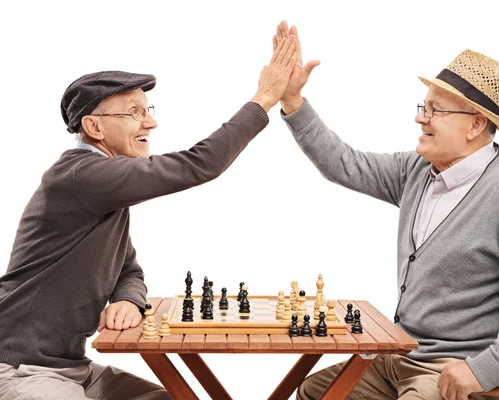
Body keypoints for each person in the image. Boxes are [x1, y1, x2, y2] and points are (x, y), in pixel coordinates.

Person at [272, 21, 499, 400]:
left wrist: (483, 369)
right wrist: (292, 102)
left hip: (452, 368)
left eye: (435, 110)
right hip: (401, 353)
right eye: (424, 106)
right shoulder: (418, 171)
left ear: (476, 125)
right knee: (316, 392)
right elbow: (344, 163)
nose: (420, 118)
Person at [0, 36, 297, 399]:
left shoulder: (104, 186)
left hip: (73, 368)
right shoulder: (84, 176)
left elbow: (128, 270)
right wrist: (264, 99)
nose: (151, 123)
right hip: (20, 369)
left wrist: (127, 299)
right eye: (135, 112)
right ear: (94, 127)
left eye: (148, 109)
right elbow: (199, 165)